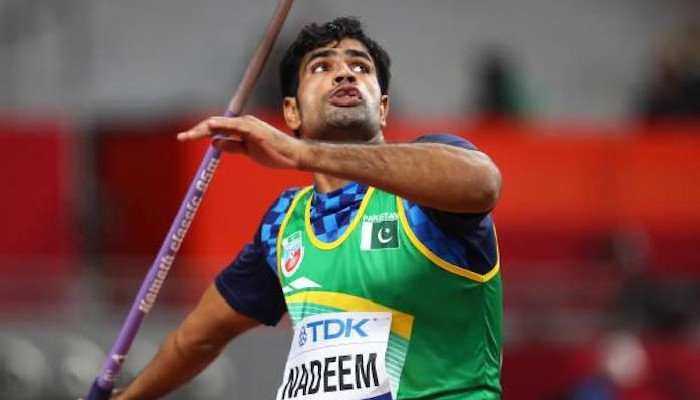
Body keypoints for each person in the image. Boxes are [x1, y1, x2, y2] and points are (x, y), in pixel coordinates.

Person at [113, 17, 503, 400]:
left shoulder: (426, 183)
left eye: (360, 67)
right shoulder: (285, 224)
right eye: (321, 67)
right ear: (291, 112)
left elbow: (483, 183)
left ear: (383, 108)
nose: (345, 73)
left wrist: (301, 152)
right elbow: (197, 338)